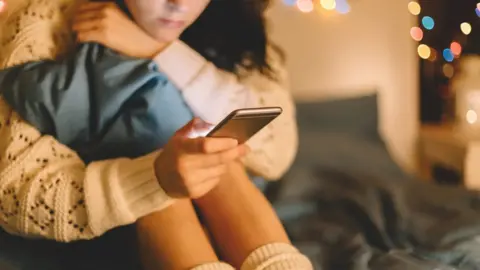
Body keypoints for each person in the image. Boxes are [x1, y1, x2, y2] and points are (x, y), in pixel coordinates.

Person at [0, 0, 311, 269]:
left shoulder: (235, 13)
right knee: (170, 188)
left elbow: (277, 150)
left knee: (216, 157)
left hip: (225, 196)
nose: (179, 4)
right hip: (113, 213)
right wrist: (154, 177)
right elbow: (13, 193)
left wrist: (161, 50)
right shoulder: (44, 19)